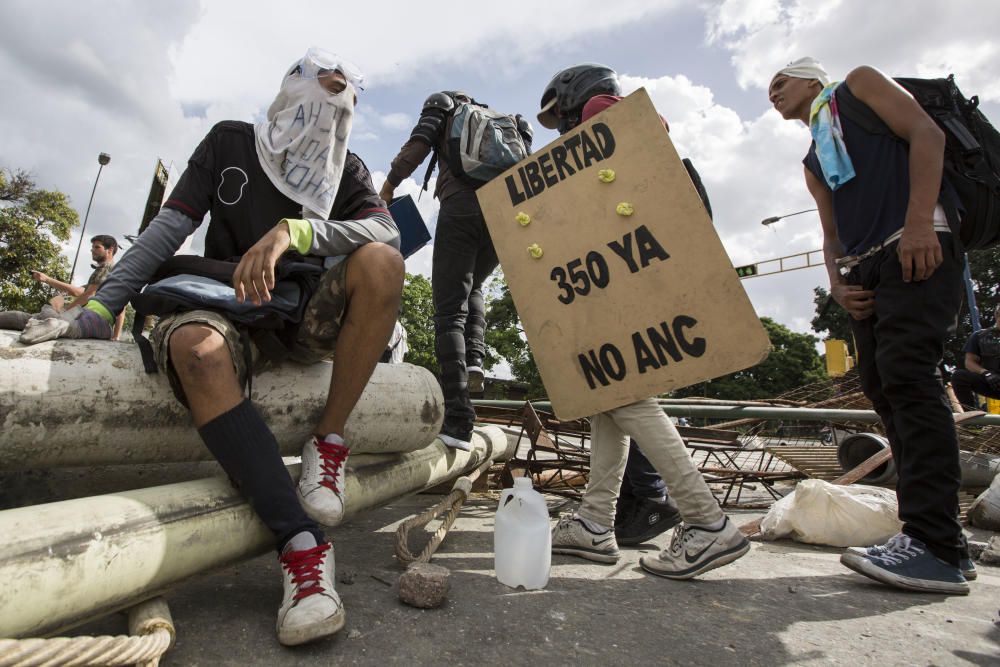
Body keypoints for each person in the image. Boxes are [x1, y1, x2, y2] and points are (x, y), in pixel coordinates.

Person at [19, 47, 404, 644]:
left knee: (381, 263)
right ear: (289, 89)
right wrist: (99, 308)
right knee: (196, 351)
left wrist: (296, 230)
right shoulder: (228, 143)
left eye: (342, 102)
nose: (325, 115)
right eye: (318, 94)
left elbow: (386, 230)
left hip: (298, 314)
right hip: (220, 300)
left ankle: (328, 445)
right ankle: (302, 544)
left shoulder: (347, 171)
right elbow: (166, 230)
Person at [537, 63, 750, 579]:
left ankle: (707, 522)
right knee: (609, 389)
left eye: (556, 110)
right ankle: (593, 521)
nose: (559, 121)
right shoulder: (611, 122)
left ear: (574, 94)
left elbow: (628, 158)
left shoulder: (598, 109)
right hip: (632, 268)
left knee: (622, 391)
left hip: (630, 270)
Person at [769, 57, 973, 593]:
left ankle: (938, 548)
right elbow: (830, 231)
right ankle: (931, 536)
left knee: (910, 375)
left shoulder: (858, 87)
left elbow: (926, 135)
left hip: (915, 244)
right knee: (884, 388)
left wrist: (917, 224)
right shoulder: (814, 156)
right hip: (866, 271)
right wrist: (837, 283)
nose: (773, 90)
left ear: (814, 79)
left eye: (782, 80)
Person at [380, 92, 532, 451]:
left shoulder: (444, 104)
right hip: (506, 211)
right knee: (474, 284)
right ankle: (475, 360)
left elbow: (416, 148)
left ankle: (459, 421)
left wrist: (388, 187)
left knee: (448, 311)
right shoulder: (512, 121)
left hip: (462, 206)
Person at [0, 234, 125, 340]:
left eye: (97, 247)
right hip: (89, 320)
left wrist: (65, 312)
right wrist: (46, 279)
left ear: (110, 250)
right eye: (92, 247)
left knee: (28, 318)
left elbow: (88, 295)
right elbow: (78, 291)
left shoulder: (106, 268)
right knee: (32, 317)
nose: (92, 250)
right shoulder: (110, 273)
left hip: (85, 319)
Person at [951, 304, 1000, 411]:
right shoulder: (980, 336)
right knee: (960, 376)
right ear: (996, 315)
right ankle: (972, 417)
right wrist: (986, 373)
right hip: (993, 381)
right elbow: (969, 362)